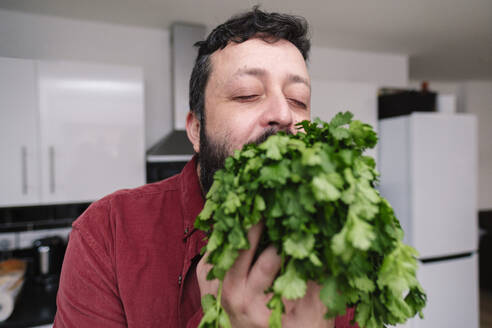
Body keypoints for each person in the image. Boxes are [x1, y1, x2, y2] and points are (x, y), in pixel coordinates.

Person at [54, 7, 359, 328]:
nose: (283, 114)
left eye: (298, 99)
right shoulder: (107, 233)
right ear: (197, 129)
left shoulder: (343, 238)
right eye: (248, 94)